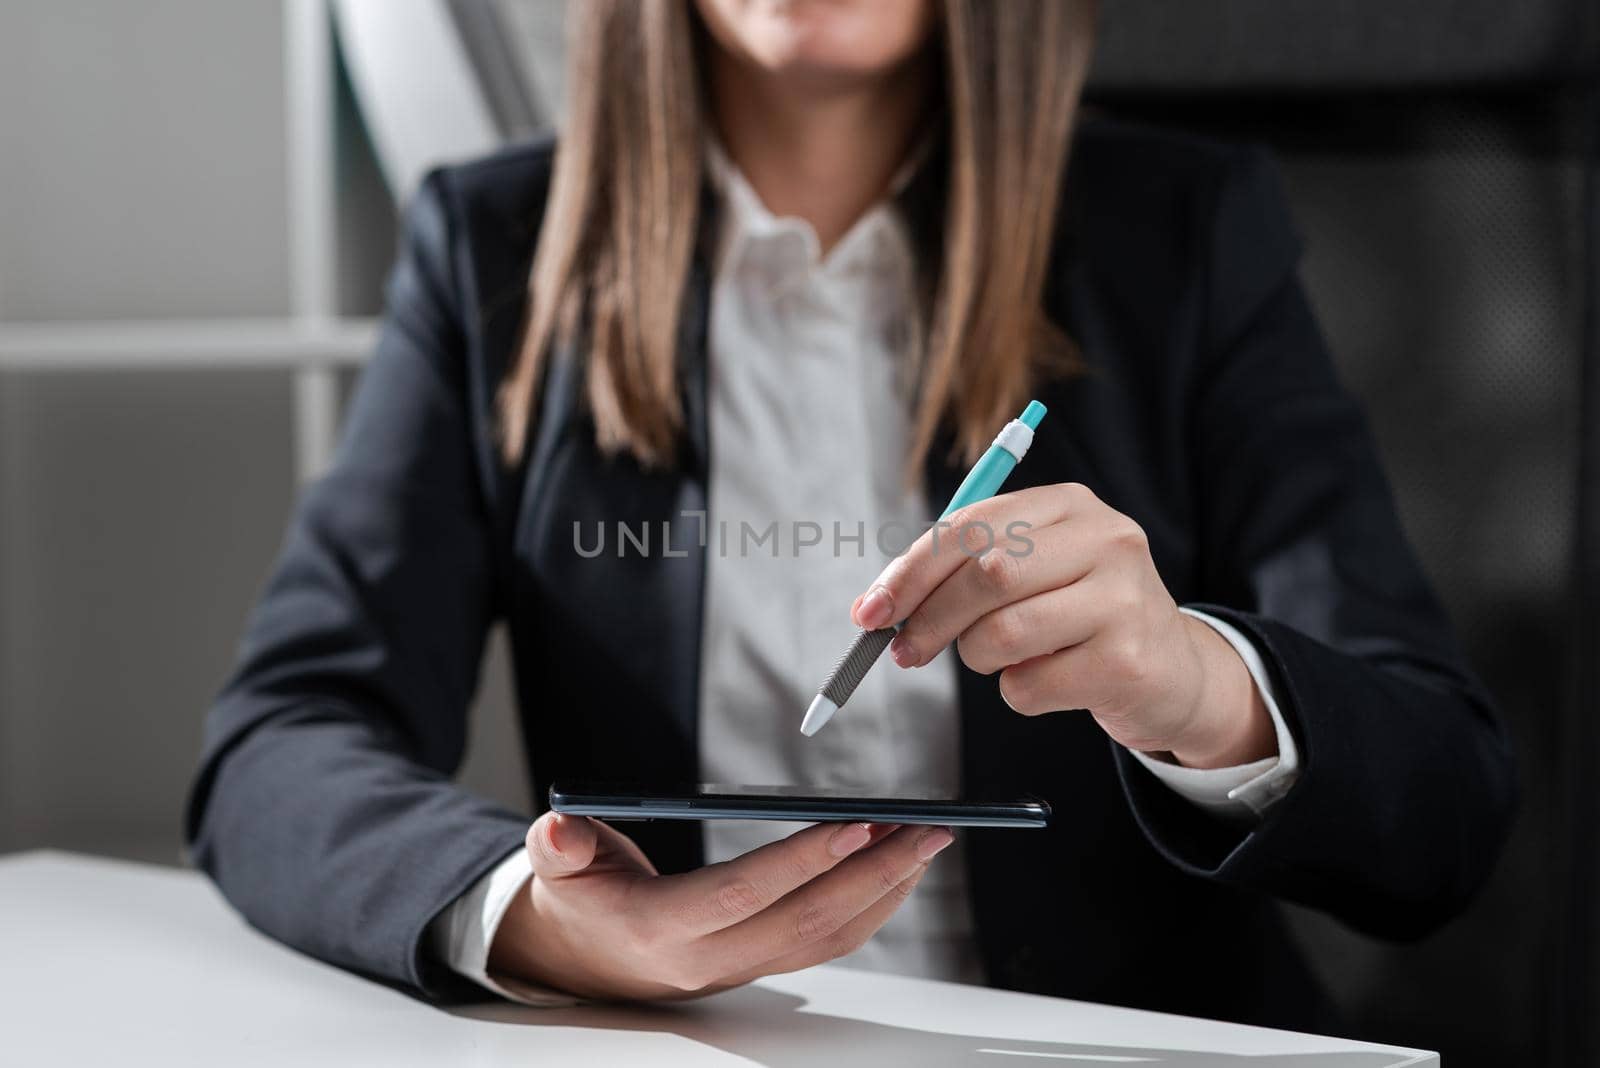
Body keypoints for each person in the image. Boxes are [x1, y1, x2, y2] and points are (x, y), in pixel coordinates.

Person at [187, 0, 1515, 1030]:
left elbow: (1442, 820)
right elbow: (279, 745)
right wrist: (537, 919)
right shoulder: (496, 248)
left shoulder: (1182, 234)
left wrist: (1197, 690)